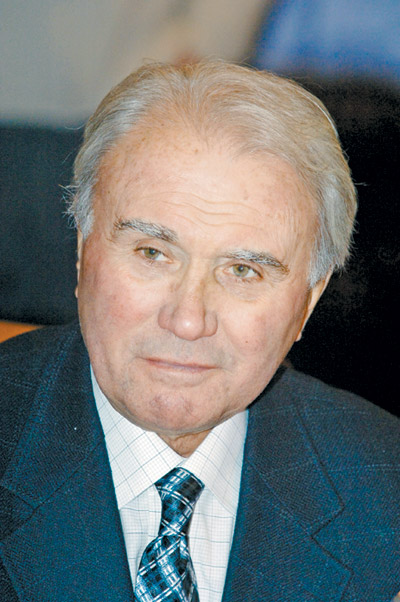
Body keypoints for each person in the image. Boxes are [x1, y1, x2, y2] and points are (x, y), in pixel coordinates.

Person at [0, 61, 399, 602]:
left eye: (243, 271)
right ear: (82, 252)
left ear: (308, 301)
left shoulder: (385, 489)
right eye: (152, 253)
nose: (188, 320)